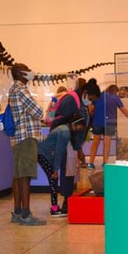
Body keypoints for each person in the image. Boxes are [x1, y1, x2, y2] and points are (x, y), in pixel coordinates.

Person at [49, 78, 100, 214]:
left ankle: (68, 199)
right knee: (66, 171)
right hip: (65, 141)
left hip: (71, 143)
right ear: (85, 92)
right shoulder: (71, 101)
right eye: (91, 98)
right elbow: (69, 125)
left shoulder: (81, 102)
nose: (91, 101)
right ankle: (64, 203)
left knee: (70, 171)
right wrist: (78, 148)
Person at [8, 63, 46, 226]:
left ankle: (17, 211)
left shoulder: (13, 89)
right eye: (27, 70)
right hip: (26, 138)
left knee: (18, 175)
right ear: (20, 73)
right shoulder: (22, 90)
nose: (31, 72)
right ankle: (26, 214)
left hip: (17, 138)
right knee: (25, 176)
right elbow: (38, 111)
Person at [37, 112, 87, 217]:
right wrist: (55, 169)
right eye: (80, 127)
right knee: (53, 179)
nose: (79, 130)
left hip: (43, 154)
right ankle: (54, 209)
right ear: (75, 124)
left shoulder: (64, 129)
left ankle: (54, 207)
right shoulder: (65, 132)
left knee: (53, 180)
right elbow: (59, 150)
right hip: (43, 154)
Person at [88, 84, 128, 168]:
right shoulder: (115, 97)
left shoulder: (98, 96)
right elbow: (123, 110)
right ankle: (105, 163)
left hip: (97, 122)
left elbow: (91, 108)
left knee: (95, 143)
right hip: (109, 123)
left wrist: (93, 114)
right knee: (107, 143)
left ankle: (91, 163)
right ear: (115, 91)